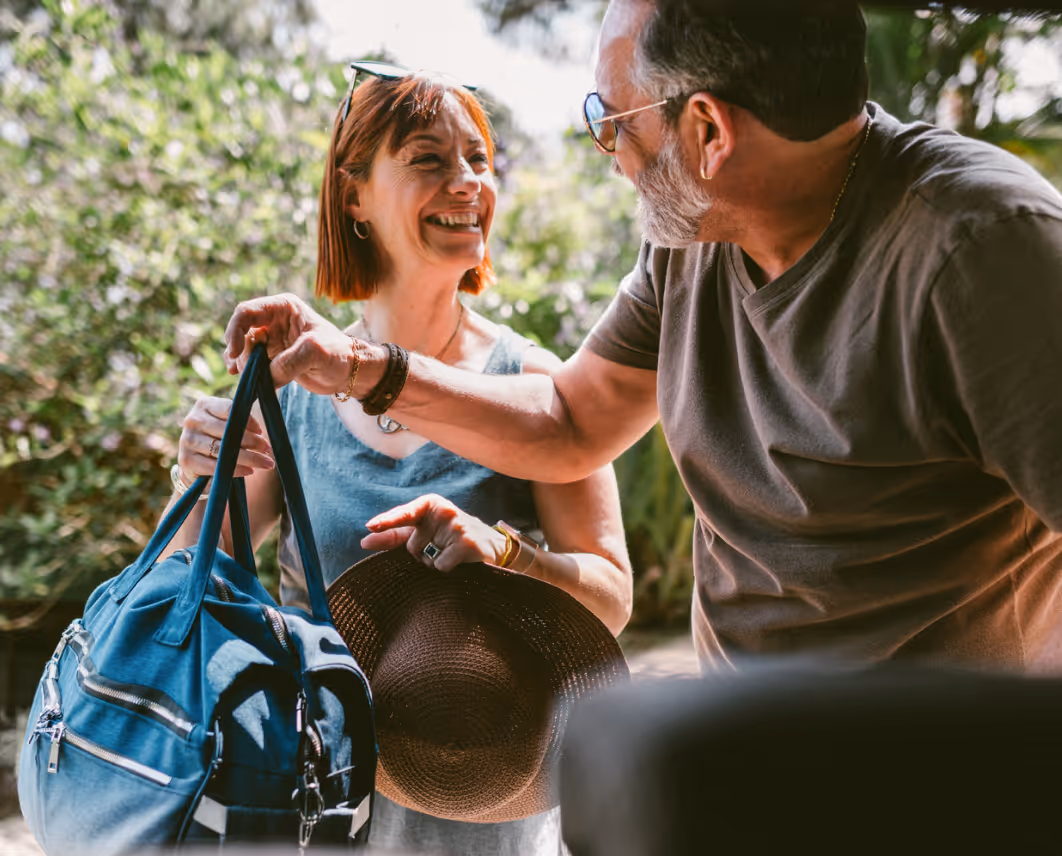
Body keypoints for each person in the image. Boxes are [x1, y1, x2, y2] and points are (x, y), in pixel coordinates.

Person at [223, 0, 1062, 675]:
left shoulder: (981, 248)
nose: (609, 152)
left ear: (708, 132)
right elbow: (570, 421)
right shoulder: (690, 237)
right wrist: (361, 368)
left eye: (611, 118)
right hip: (749, 770)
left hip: (950, 800)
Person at [164, 68, 633, 856]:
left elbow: (612, 596)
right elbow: (190, 592)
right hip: (321, 812)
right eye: (429, 159)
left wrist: (505, 553)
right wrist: (193, 480)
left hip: (492, 819)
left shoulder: (533, 385)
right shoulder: (295, 395)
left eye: (480, 160)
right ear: (354, 197)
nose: (469, 184)